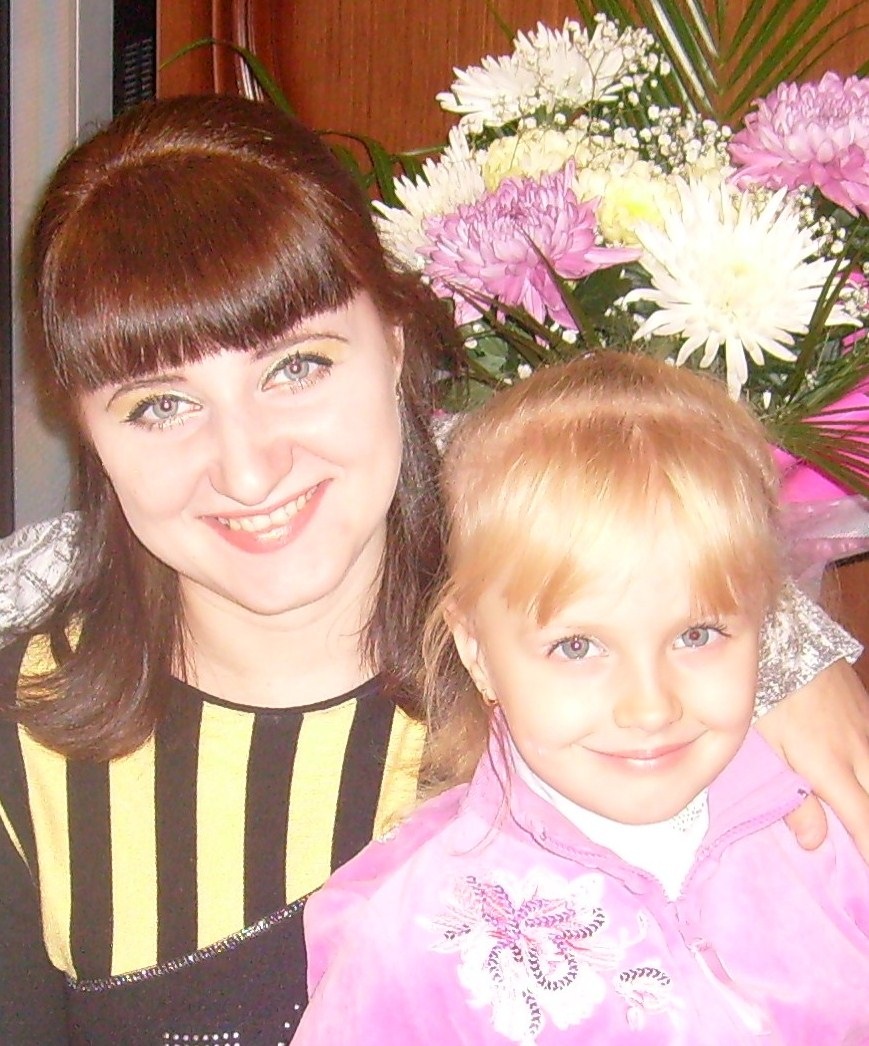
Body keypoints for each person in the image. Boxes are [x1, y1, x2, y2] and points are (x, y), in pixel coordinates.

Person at [0, 95, 866, 1044]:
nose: (247, 470)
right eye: (160, 406)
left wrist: (786, 653)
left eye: (296, 367)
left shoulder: (616, 700)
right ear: (86, 428)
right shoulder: (23, 749)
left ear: (395, 344)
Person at [296, 353, 869, 1044]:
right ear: (476, 650)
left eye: (696, 635)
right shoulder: (412, 942)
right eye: (577, 647)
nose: (650, 708)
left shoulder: (827, 834)